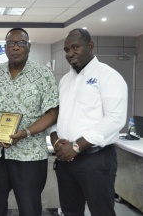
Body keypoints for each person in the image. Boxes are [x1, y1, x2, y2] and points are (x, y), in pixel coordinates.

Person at [0, 28, 59, 216]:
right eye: (11, 43)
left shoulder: (43, 75)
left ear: (28, 47)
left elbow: (52, 113)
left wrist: (25, 133)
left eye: (21, 43)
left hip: (29, 156)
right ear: (5, 48)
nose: (16, 47)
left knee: (29, 208)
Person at [50, 28, 128, 216]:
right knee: (70, 211)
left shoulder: (109, 76)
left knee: (101, 211)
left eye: (75, 47)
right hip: (65, 161)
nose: (70, 54)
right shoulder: (65, 80)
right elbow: (57, 116)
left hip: (95, 160)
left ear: (90, 46)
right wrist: (56, 140)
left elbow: (115, 119)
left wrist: (77, 146)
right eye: (67, 50)